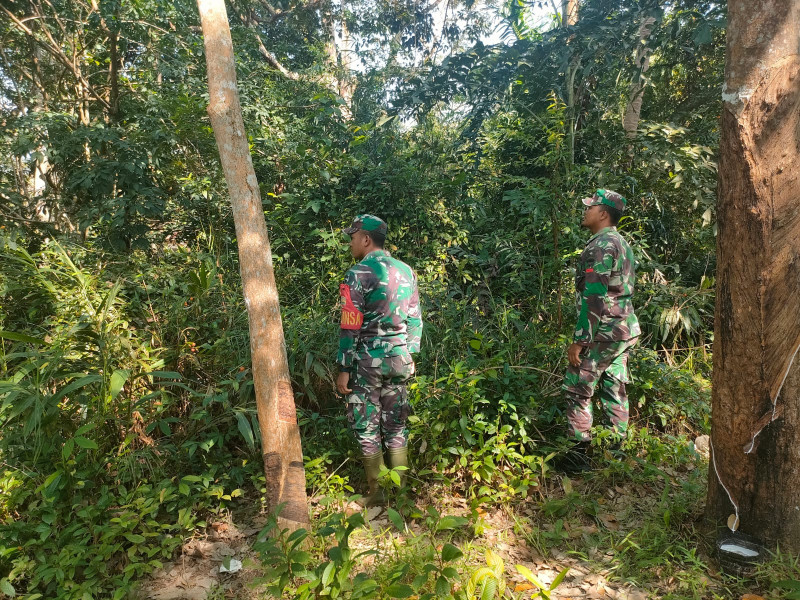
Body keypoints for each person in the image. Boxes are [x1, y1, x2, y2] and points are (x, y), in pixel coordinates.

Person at [336, 214, 422, 506]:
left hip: (366, 362)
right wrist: (409, 353)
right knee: (397, 426)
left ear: (365, 239)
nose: (350, 243)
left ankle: (376, 494)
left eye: (352, 237)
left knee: (367, 426)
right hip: (399, 359)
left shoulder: (358, 273)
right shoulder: (406, 270)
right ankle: (401, 495)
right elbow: (415, 320)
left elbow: (350, 324)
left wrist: (344, 367)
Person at [562, 189, 640, 470]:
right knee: (614, 389)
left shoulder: (601, 246)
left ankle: (577, 457)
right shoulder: (621, 243)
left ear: (603, 213)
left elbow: (594, 296)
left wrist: (580, 340)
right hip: (623, 330)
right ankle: (616, 455)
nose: (586, 211)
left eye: (590, 207)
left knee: (577, 388)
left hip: (603, 331)